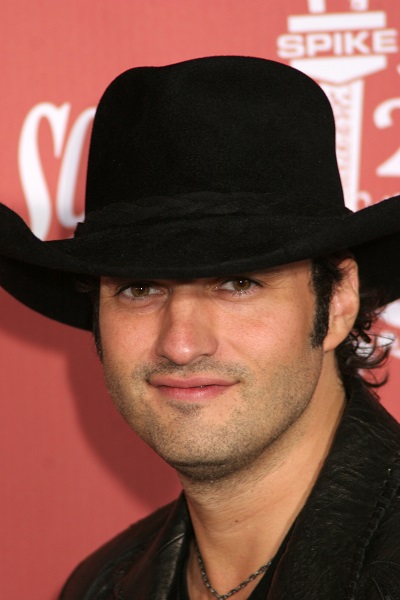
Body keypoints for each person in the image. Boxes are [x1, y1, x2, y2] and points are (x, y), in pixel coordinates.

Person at [1, 56, 400, 599]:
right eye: (140, 289)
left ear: (337, 303)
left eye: (238, 284)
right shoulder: (101, 586)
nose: (181, 345)